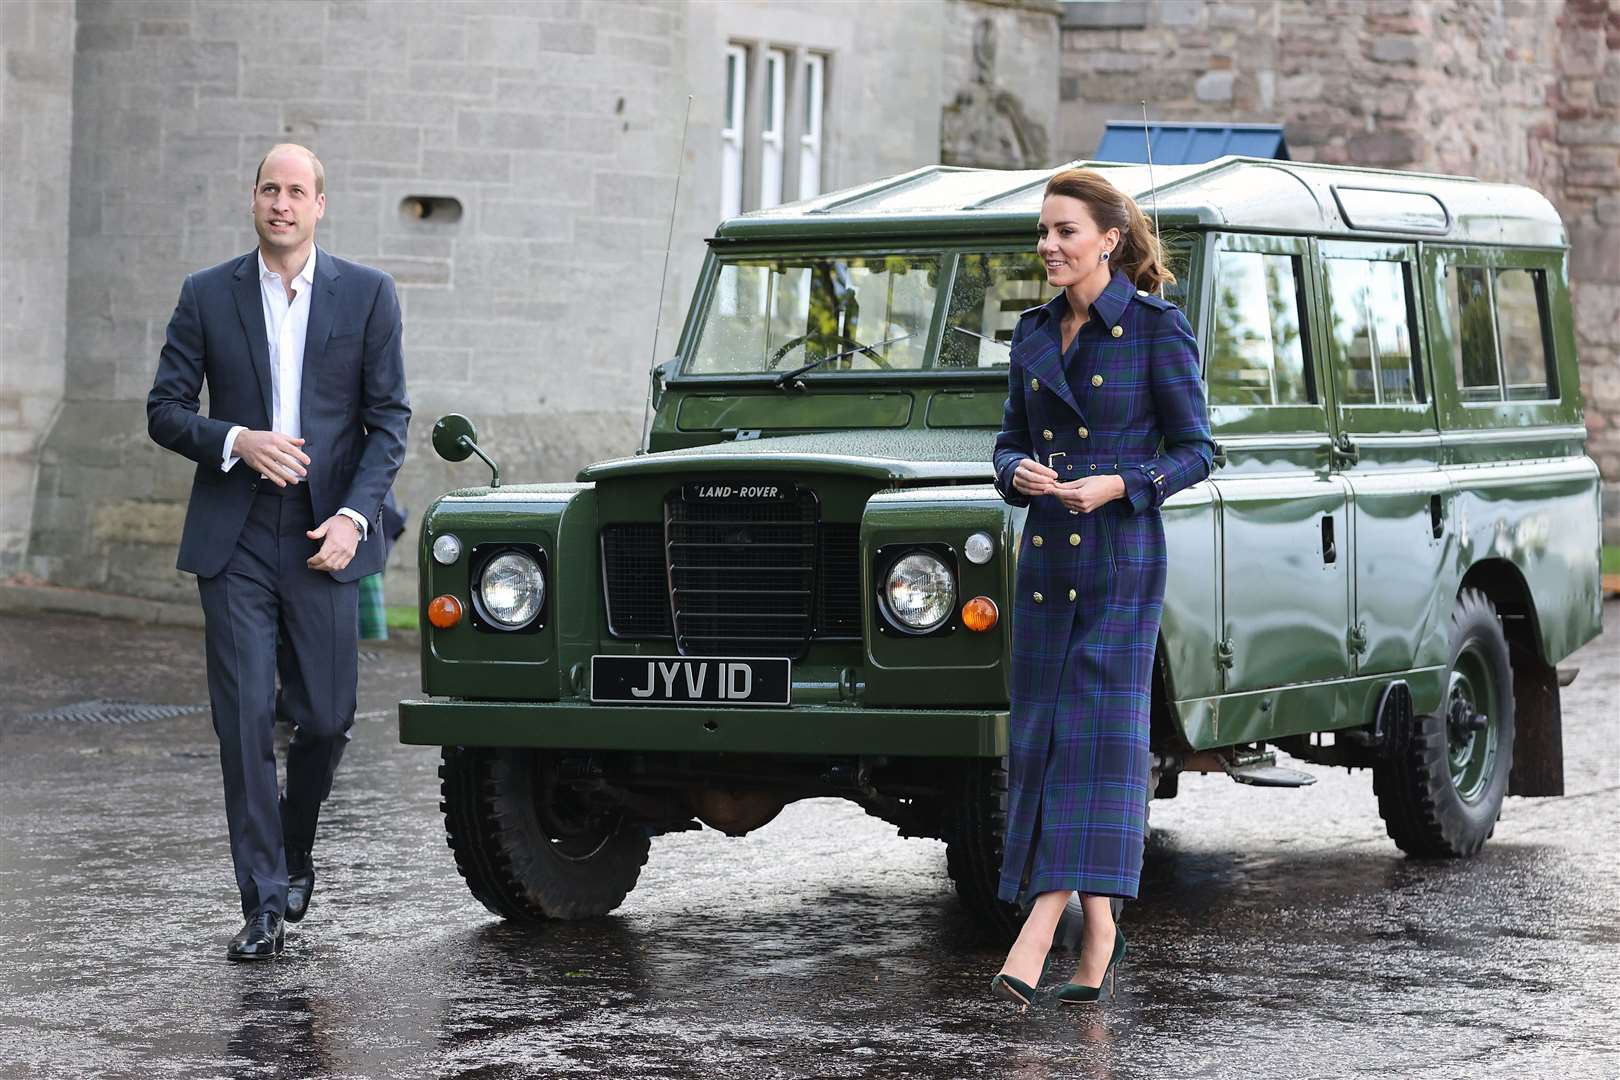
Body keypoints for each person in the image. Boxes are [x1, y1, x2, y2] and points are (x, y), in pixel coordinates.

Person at [147, 143, 410, 960]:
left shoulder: (368, 295)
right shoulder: (206, 295)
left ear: (320, 205)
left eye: (298, 191)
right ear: (253, 199)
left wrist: (353, 519)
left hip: (324, 532)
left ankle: (296, 850)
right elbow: (163, 409)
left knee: (326, 719)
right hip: (236, 534)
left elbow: (389, 420)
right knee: (245, 719)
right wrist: (236, 439)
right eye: (270, 188)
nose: (282, 203)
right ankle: (262, 901)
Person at [988, 168, 1213, 1006]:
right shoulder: (1034, 330)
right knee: (1050, 742)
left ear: (1109, 241)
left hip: (1121, 560)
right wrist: (1022, 475)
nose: (1048, 246)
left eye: (1065, 232)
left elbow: (1197, 451)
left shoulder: (1157, 328)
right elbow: (1007, 443)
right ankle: (1103, 935)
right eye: (1043, 232)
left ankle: (1040, 926)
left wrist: (1120, 485)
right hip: (1048, 564)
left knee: (1097, 744)